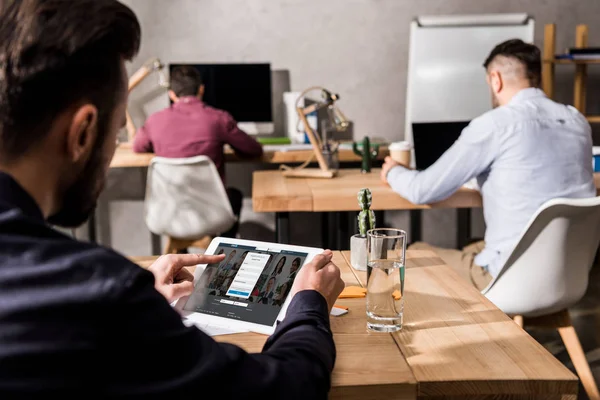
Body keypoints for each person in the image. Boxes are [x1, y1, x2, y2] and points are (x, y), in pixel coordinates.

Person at [0, 1, 345, 397]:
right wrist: (308, 302)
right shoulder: (96, 294)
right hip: (216, 218)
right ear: (82, 132)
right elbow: (286, 388)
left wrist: (141, 301)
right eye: (114, 132)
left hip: (164, 215)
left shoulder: (95, 297)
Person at [382, 39, 596, 291]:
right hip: (568, 278)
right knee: (476, 244)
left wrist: (393, 170)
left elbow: (422, 190)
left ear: (496, 79)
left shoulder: (495, 124)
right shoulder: (577, 121)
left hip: (509, 280)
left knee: (412, 253)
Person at [132, 65, 264, 238]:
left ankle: (181, 252)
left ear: (171, 93)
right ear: (201, 89)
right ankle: (223, 249)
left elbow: (138, 147)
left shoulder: (155, 120)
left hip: (168, 215)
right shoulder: (218, 118)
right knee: (235, 195)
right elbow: (253, 150)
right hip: (211, 215)